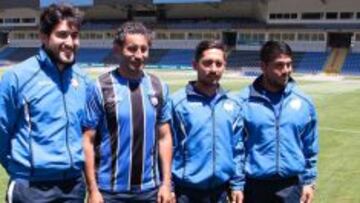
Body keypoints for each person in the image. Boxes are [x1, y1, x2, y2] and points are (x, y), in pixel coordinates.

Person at [0, 3, 89, 202]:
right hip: (31, 188)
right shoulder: (17, 78)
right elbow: (1, 132)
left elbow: (87, 134)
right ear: (44, 37)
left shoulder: (83, 81)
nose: (70, 42)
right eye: (62, 34)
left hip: (73, 188)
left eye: (74, 35)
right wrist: (22, 169)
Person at [83, 21, 173, 203]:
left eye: (144, 49)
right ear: (117, 49)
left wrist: (166, 184)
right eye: (132, 49)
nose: (139, 55)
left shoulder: (159, 87)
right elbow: (87, 140)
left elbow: (165, 138)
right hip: (109, 190)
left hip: (149, 189)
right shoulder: (100, 87)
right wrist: (92, 189)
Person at [237, 41, 319, 203]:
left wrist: (309, 181)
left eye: (289, 65)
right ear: (263, 66)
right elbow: (236, 148)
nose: (286, 70)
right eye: (279, 65)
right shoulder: (242, 102)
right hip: (253, 186)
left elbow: (310, 146)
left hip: (291, 186)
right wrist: (236, 184)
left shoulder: (304, 102)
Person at [170, 40, 244, 203]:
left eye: (219, 64)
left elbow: (237, 148)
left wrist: (237, 184)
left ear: (225, 66)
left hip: (221, 192)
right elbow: (167, 148)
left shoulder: (234, 104)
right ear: (195, 65)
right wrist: (168, 187)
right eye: (207, 63)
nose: (213, 69)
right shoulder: (176, 103)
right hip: (186, 193)